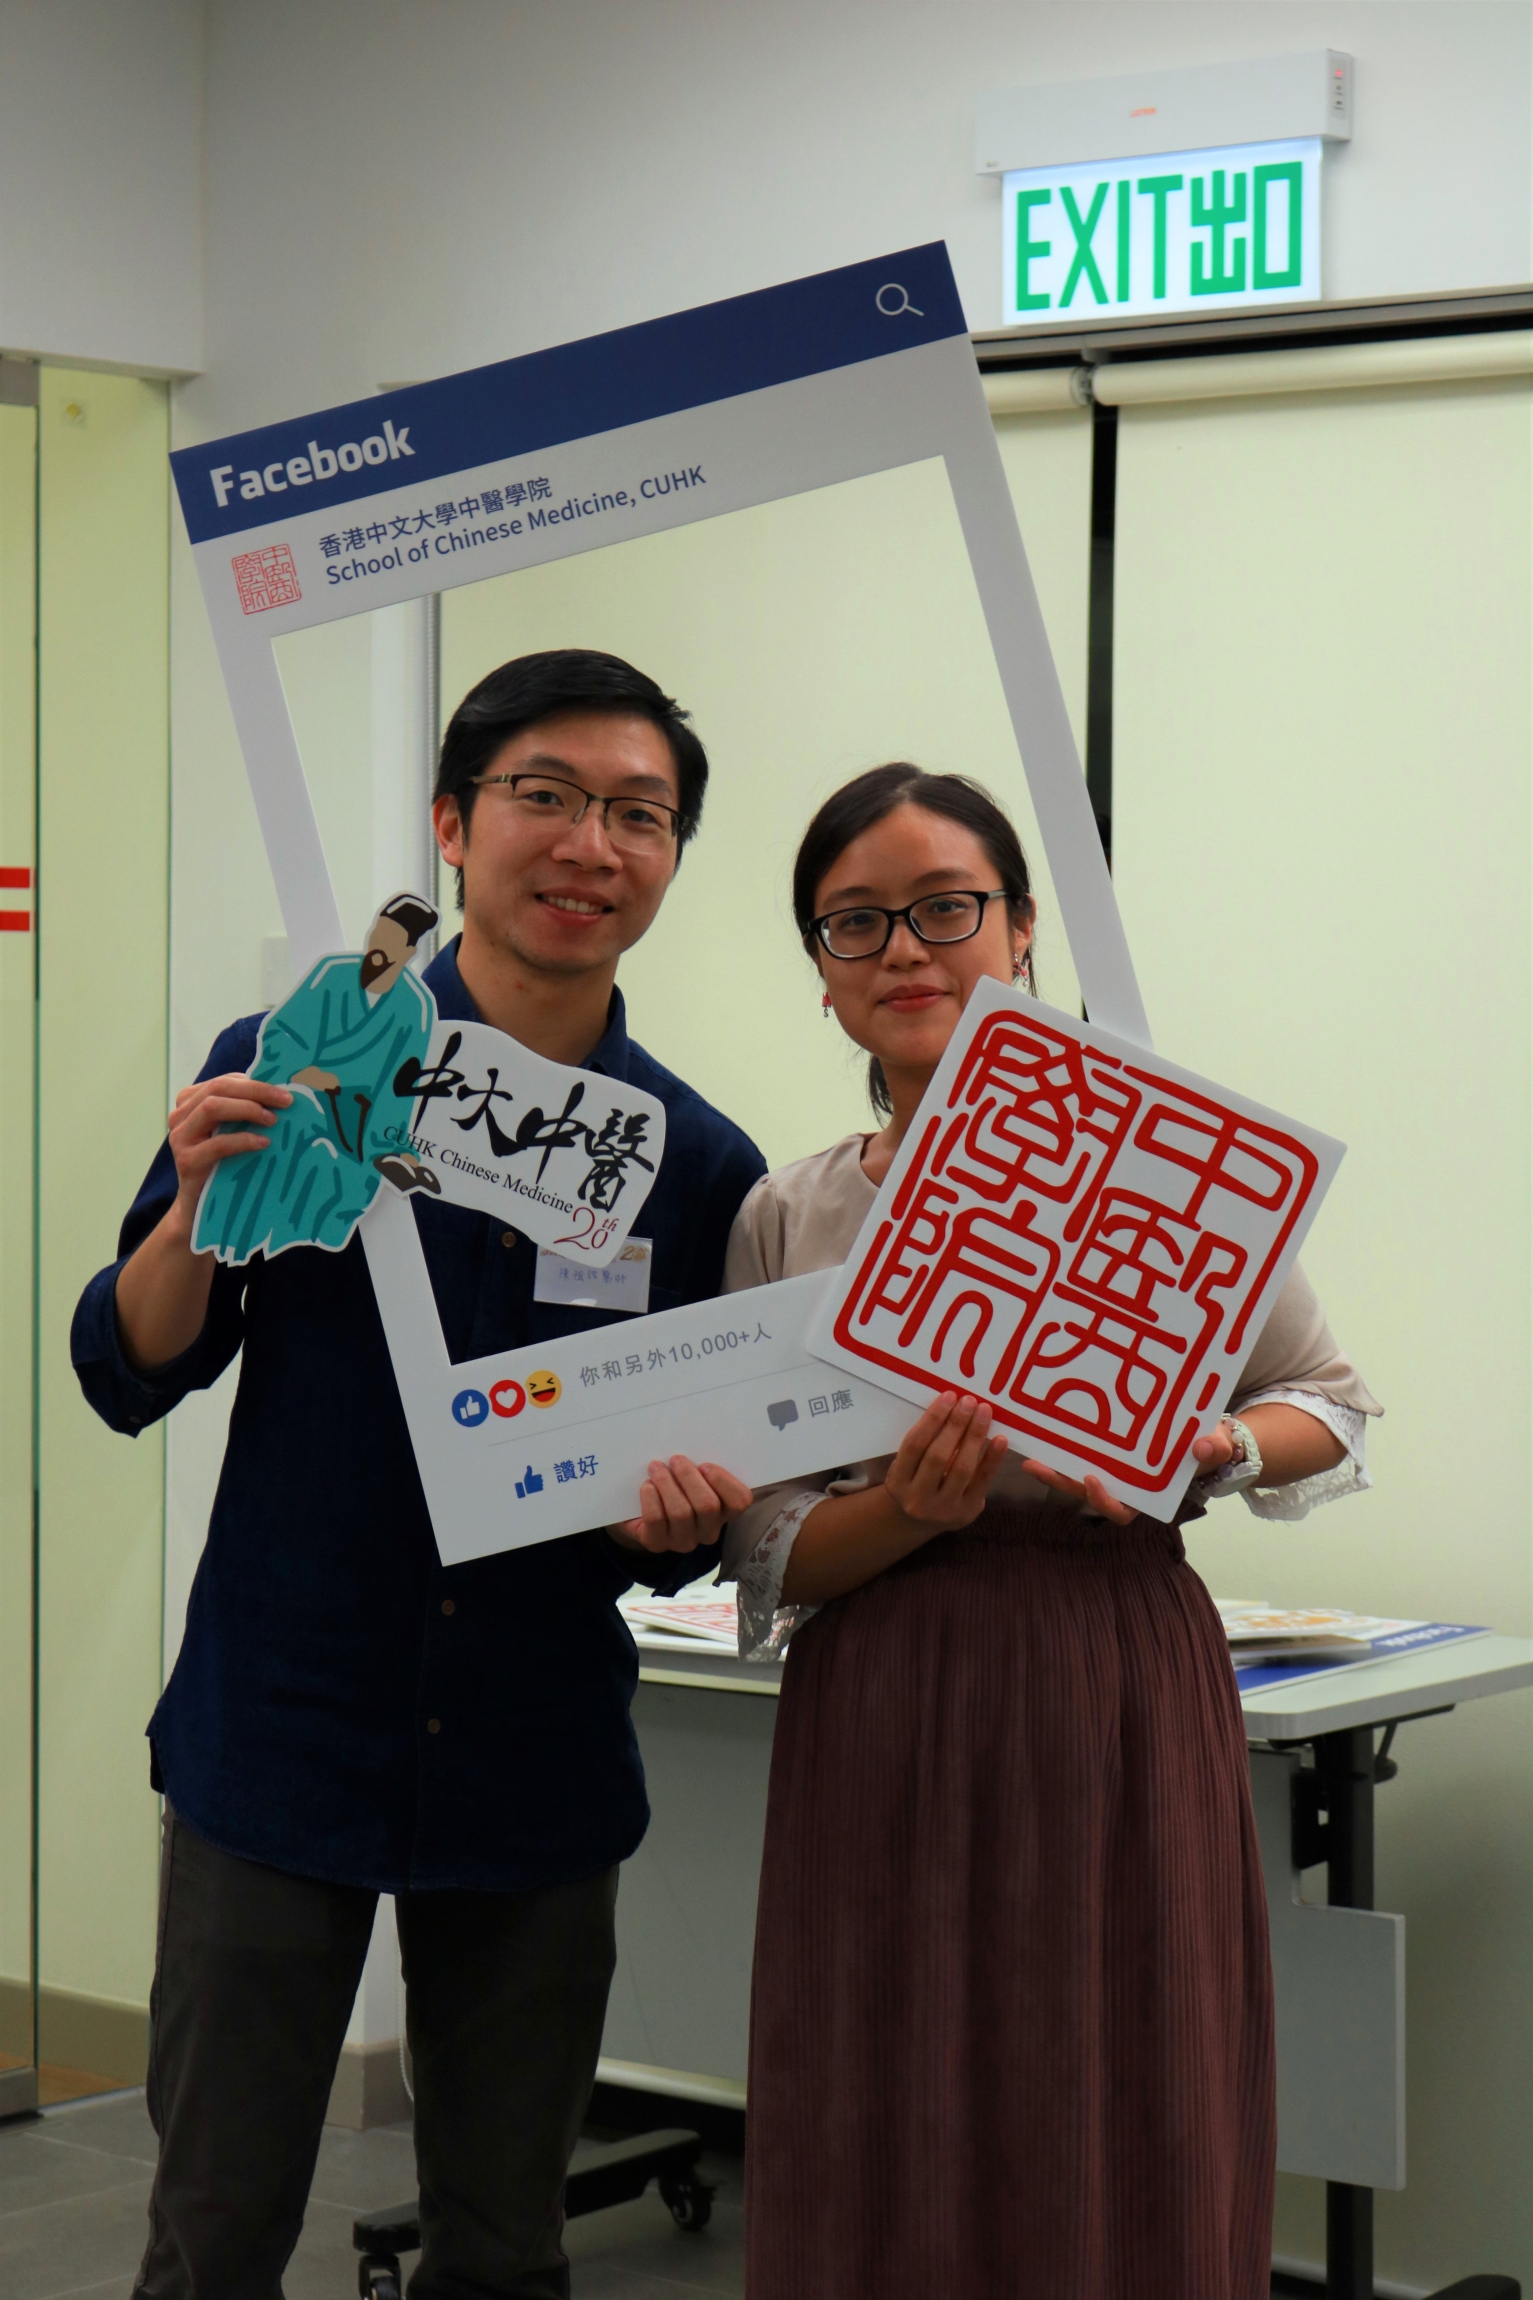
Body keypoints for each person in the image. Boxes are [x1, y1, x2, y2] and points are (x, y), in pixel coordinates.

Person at [71, 650, 764, 2300]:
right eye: (546, 796)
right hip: (280, 1732)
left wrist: (674, 1524)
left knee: (505, 2248)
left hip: (531, 1758)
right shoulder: (304, 1058)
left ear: (671, 857)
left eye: (638, 813)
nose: (590, 844)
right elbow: (128, 1366)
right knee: (213, 2233)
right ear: (454, 825)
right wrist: (195, 1209)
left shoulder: (690, 1161)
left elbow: (675, 1516)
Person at [721, 763, 1381, 2300]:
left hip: (1112, 1668)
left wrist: (1207, 1443)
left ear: (1021, 929)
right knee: (880, 2068)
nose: (903, 950)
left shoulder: (1167, 1175)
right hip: (884, 1681)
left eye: (944, 909)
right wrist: (903, 1510)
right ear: (820, 974)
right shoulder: (786, 1215)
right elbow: (765, 1542)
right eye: (854, 922)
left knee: (1125, 2071)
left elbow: (1331, 1407)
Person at [195, 890, 442, 1264]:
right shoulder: (333, 974)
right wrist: (299, 1071)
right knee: (292, 1117)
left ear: (408, 953)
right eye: (379, 932)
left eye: (392, 941)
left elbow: (399, 1091)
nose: (379, 945)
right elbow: (284, 1032)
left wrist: (391, 1144)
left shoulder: (415, 1008)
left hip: (358, 1126)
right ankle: (234, 1241)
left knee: (348, 1172)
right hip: (298, 1095)